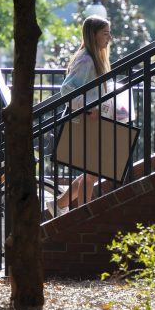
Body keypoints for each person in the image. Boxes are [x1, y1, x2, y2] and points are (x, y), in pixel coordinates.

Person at [51, 15, 113, 216]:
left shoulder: (94, 59)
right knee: (90, 175)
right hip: (86, 121)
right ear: (93, 35)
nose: (109, 38)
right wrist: (88, 108)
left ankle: (60, 204)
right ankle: (85, 216)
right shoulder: (86, 60)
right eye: (105, 34)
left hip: (94, 122)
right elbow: (66, 90)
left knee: (91, 174)